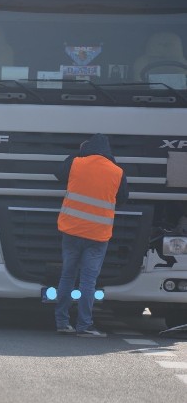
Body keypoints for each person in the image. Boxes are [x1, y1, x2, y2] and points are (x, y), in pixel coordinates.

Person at [53, 133, 129, 337]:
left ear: (87, 147)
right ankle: (84, 326)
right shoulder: (117, 171)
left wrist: (79, 152)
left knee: (67, 276)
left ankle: (61, 322)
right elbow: (122, 200)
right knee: (88, 281)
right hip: (97, 235)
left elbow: (58, 173)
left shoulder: (76, 163)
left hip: (71, 230)